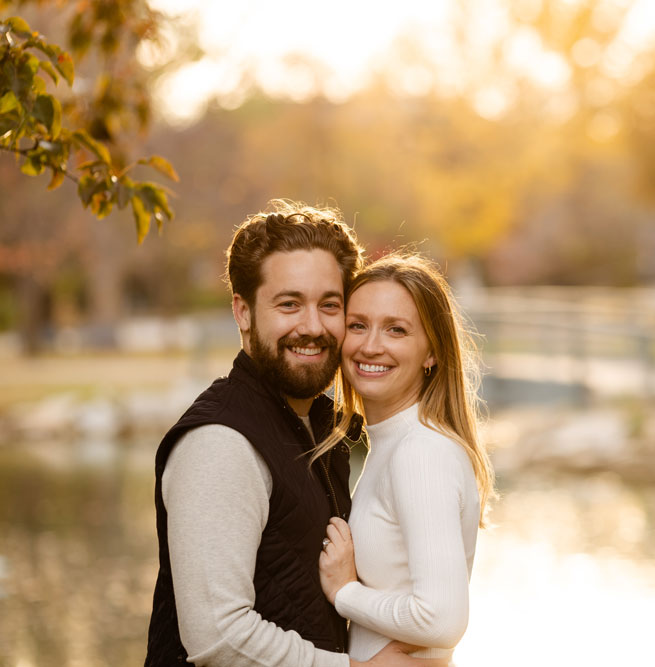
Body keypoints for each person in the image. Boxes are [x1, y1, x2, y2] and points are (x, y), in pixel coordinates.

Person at [145, 201, 431, 667]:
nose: (312, 327)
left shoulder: (323, 429)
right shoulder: (220, 443)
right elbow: (218, 636)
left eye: (329, 305)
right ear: (243, 312)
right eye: (289, 304)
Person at [315, 253, 495, 665]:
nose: (370, 345)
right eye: (357, 325)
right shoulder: (395, 444)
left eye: (396, 330)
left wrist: (344, 592)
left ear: (431, 352)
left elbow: (442, 620)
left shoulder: (421, 453)